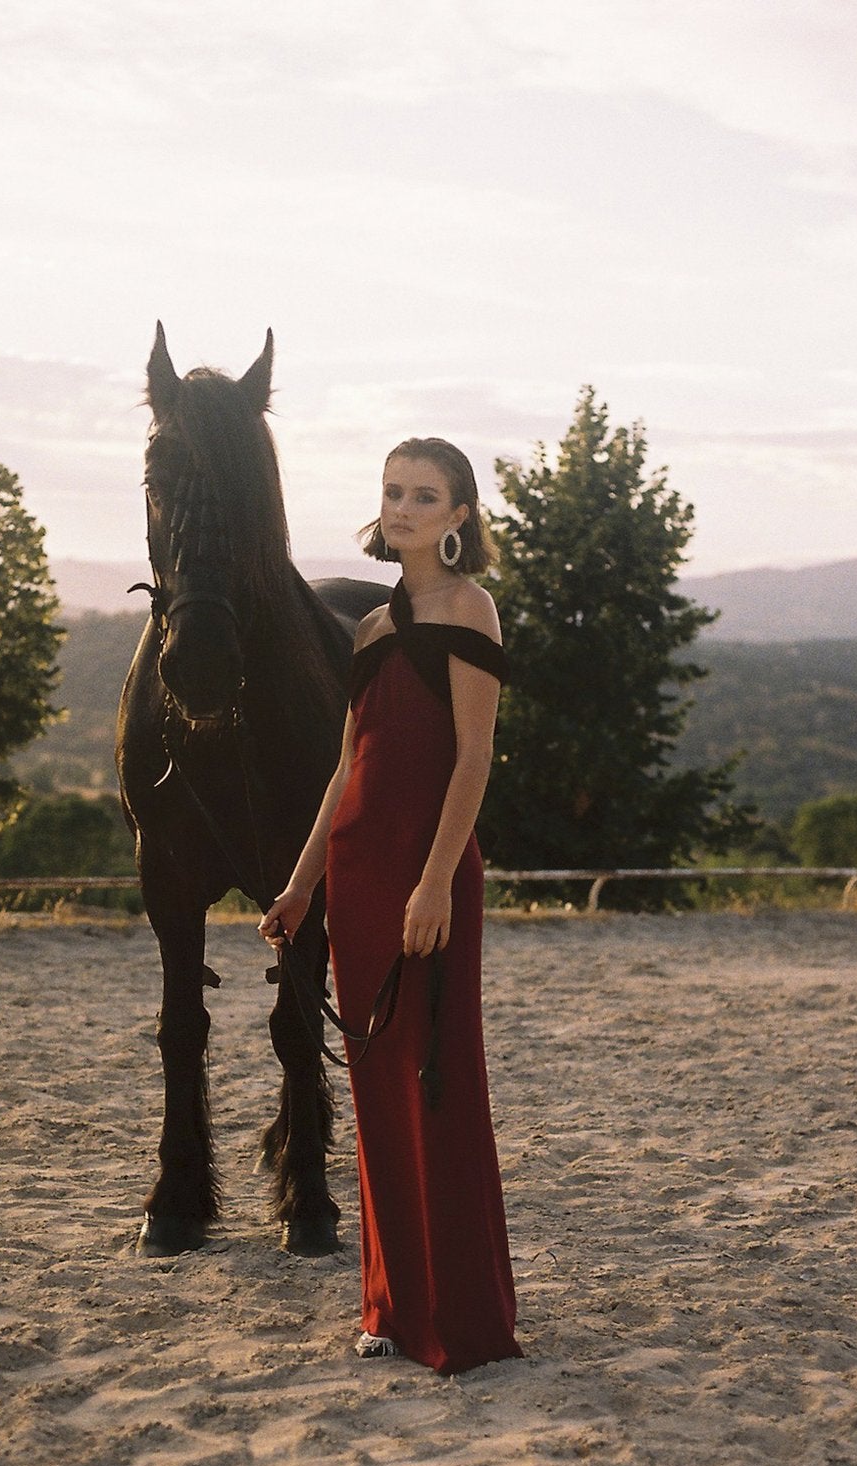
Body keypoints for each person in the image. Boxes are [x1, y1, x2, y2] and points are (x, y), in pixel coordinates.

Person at [259, 437, 522, 1375]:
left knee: (436, 1081)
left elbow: (474, 760)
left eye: (425, 495)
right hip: (359, 872)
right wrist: (299, 886)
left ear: (459, 517)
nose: (403, 507)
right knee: (374, 1091)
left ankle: (463, 1322)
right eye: (393, 492)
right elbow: (348, 768)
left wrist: (436, 881)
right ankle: (389, 1308)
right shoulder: (372, 629)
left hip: (426, 875)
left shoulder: (471, 609)